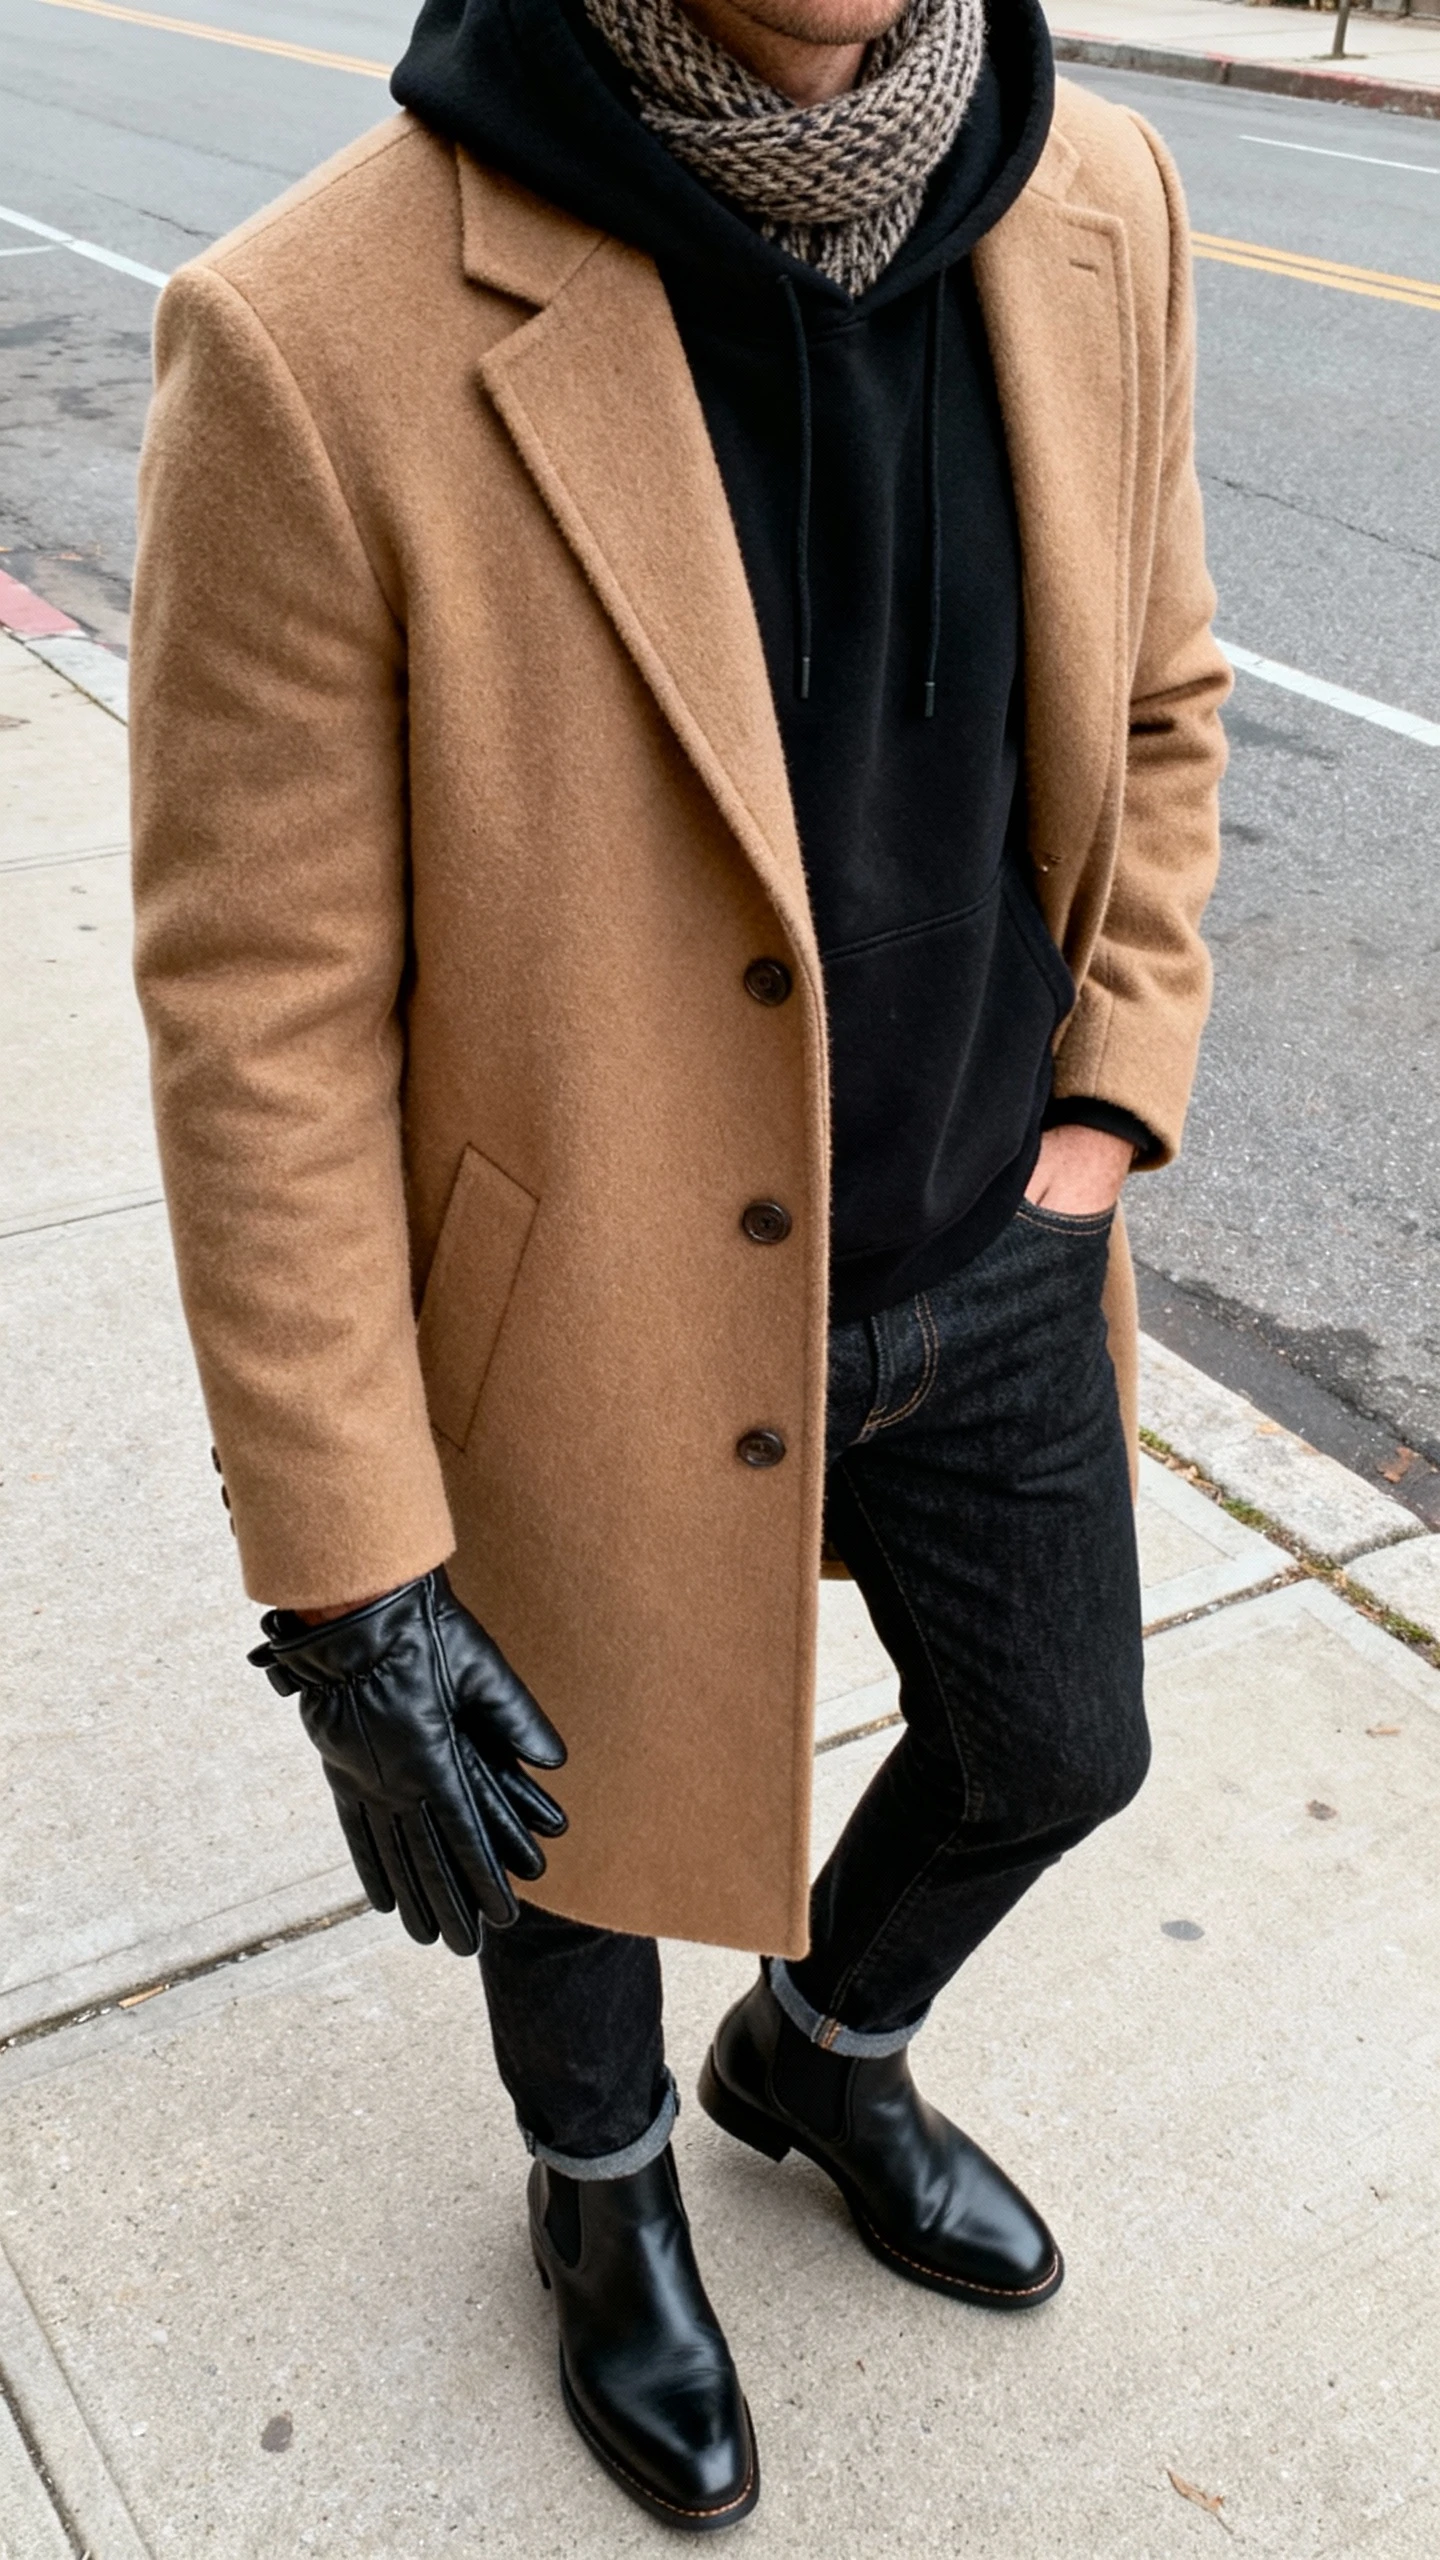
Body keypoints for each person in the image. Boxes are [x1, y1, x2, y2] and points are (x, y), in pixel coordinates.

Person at [130, 0, 1227, 2529]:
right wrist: (350, 1576)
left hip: (994, 1247)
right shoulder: (321, 335)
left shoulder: (1109, 200)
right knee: (570, 1835)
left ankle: (824, 2048)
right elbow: (257, 1022)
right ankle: (602, 2187)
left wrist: (1104, 1108)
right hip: (594, 1303)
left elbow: (1166, 701)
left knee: (1065, 1741)